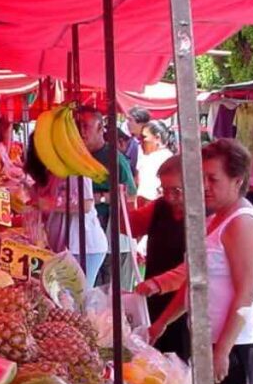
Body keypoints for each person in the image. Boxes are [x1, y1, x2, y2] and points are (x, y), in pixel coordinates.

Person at [138, 138, 253, 384]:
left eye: (213, 179)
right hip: (208, 339)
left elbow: (246, 293)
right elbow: (195, 282)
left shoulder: (241, 222)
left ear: (238, 180)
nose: (205, 186)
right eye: (201, 178)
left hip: (238, 344)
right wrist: (160, 323)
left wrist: (223, 349)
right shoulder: (216, 219)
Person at [127, 155, 189, 360]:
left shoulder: (204, 217)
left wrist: (158, 283)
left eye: (176, 191)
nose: (169, 197)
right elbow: (131, 226)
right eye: (164, 189)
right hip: (153, 301)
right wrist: (124, 201)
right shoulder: (159, 207)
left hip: (182, 306)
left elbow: (194, 268)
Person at [25, 141, 108, 283]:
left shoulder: (76, 170)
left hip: (84, 247)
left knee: (77, 298)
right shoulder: (49, 173)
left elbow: (86, 204)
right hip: (62, 247)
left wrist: (50, 204)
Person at [74, 106, 139, 289]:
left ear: (100, 128)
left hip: (113, 233)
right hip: (86, 234)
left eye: (85, 126)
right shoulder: (76, 157)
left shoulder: (113, 158)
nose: (80, 131)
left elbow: (131, 194)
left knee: (115, 294)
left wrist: (98, 198)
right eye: (77, 126)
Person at [135, 121, 175, 207]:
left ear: (157, 138)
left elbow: (147, 196)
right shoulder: (153, 157)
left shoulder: (160, 159)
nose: (140, 141)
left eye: (144, 137)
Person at [125, 107, 152, 178]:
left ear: (141, 123)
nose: (127, 123)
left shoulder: (150, 144)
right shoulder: (132, 142)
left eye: (130, 120)